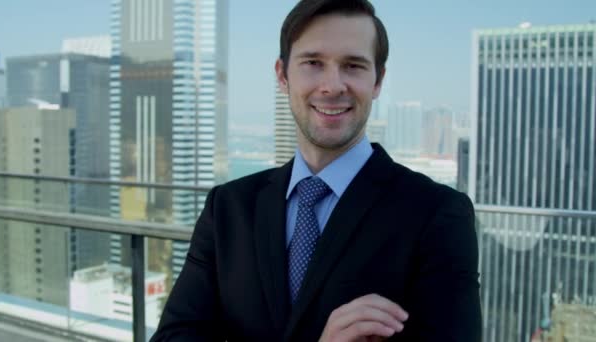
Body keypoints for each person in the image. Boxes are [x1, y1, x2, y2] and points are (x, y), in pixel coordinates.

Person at [151, 0, 481, 340]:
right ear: (282, 75)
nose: (333, 85)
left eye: (353, 65)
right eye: (313, 63)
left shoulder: (437, 214)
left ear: (378, 80)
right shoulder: (228, 208)